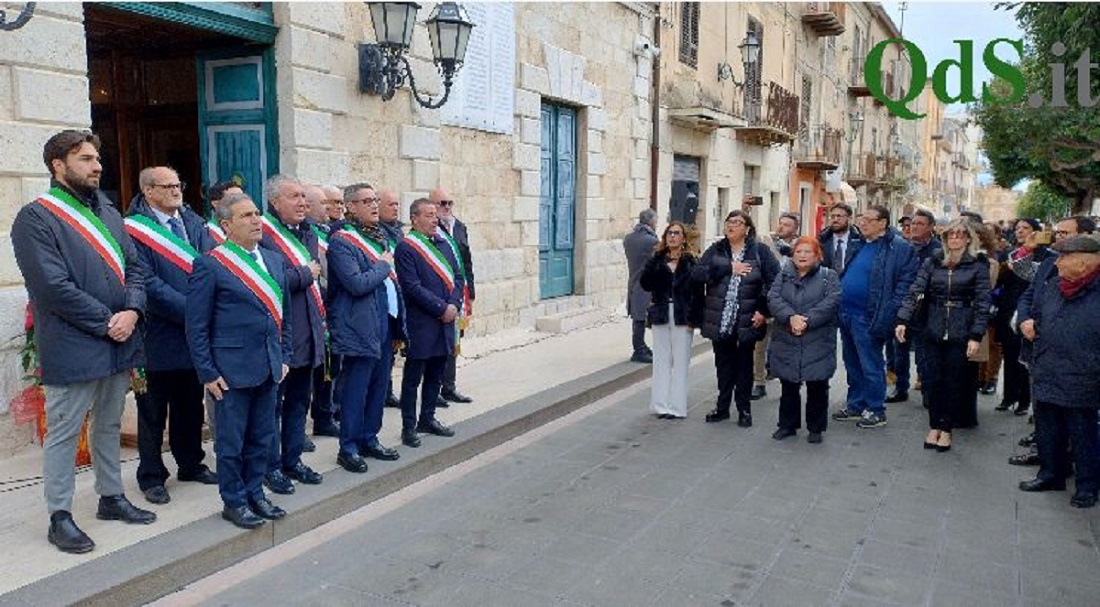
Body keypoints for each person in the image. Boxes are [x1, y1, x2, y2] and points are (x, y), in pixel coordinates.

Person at [12, 130, 155, 554]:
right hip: (75, 343)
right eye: (86, 159)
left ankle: (111, 497)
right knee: (64, 431)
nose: (97, 166)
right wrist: (108, 321)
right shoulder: (36, 217)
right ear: (58, 165)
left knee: (109, 424)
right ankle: (60, 515)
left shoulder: (109, 210)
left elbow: (136, 269)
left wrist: (131, 312)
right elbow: (52, 287)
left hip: (118, 338)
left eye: (97, 158)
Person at [186, 192, 292, 529]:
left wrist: (285, 355)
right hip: (229, 371)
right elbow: (197, 325)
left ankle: (255, 493)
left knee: (262, 437)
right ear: (226, 225)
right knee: (231, 442)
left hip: (269, 367)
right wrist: (207, 371)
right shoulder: (210, 264)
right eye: (246, 216)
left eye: (257, 213)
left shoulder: (275, 261)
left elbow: (285, 318)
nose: (256, 220)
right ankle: (233, 501)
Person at [125, 166, 218, 506]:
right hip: (155, 336)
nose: (177, 191)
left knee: (189, 405)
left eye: (179, 184)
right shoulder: (134, 229)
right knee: (152, 412)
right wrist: (194, 311)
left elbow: (210, 267)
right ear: (148, 191)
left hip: (193, 337)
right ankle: (151, 476)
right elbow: (146, 283)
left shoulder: (194, 223)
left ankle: (191, 462)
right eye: (168, 186)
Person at [1017, 235, 1100, 508]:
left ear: (1085, 262)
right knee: (1047, 428)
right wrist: (1030, 324)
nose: (1058, 262)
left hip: (1083, 372)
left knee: (1082, 433)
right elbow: (1038, 312)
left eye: (1064, 257)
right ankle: (1051, 473)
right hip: (1048, 365)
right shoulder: (1054, 285)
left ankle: (1087, 485)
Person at [895, 219, 991, 452]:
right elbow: (915, 290)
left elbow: (983, 302)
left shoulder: (978, 264)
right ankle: (933, 426)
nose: (955, 238)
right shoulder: (933, 261)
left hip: (962, 328)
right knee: (932, 380)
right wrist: (902, 319)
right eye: (951, 234)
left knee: (952, 381)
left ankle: (946, 429)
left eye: (960, 234)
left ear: (968, 238)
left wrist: (976, 335)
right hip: (933, 327)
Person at [328, 183, 405, 472]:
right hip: (358, 325)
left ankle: (369, 437)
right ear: (351, 207)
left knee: (378, 386)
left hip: (384, 322)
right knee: (356, 388)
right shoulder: (341, 241)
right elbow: (357, 284)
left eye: (375, 200)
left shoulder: (379, 236)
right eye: (366, 201)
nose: (375, 205)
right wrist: (384, 266)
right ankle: (348, 447)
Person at [259, 175, 325, 494]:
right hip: (280, 333)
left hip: (308, 330)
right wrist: (304, 274)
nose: (302, 202)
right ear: (274, 203)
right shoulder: (264, 235)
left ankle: (293, 459)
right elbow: (267, 279)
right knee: (273, 406)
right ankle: (271, 467)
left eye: (303, 196)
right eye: (294, 197)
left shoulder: (309, 234)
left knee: (299, 402)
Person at [831, 205, 917, 429]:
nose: (863, 222)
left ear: (883, 223)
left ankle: (876, 409)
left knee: (871, 364)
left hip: (869, 316)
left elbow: (906, 284)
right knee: (852, 363)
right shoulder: (859, 243)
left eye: (869, 219)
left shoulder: (898, 248)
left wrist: (892, 312)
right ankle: (856, 405)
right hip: (847, 313)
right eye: (862, 218)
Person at [693, 210, 780, 428]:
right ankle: (722, 408)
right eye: (729, 221)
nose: (731, 226)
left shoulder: (760, 252)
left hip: (748, 319)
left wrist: (764, 311)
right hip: (720, 319)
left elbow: (775, 282)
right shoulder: (717, 249)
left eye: (737, 222)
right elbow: (698, 273)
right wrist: (729, 267)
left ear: (747, 229)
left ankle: (744, 410)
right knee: (723, 366)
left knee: (744, 367)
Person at [395, 198, 464, 448]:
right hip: (422, 322)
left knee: (436, 373)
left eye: (436, 215)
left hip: (445, 320)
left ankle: (428, 418)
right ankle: (408, 426)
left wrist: (454, 304)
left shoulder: (443, 244)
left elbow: (458, 276)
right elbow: (411, 287)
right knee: (413, 377)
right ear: (414, 218)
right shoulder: (407, 247)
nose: (435, 219)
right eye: (429, 215)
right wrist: (441, 307)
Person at [766, 237, 840, 444]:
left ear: (817, 255)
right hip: (787, 337)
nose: (802, 255)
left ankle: (816, 428)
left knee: (817, 385)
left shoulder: (828, 276)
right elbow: (773, 298)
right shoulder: (784, 275)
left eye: (808, 252)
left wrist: (806, 321)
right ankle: (787, 425)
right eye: (799, 251)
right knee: (789, 384)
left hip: (817, 338)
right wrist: (790, 317)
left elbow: (831, 302)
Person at [639, 221, 703, 419]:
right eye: (669, 233)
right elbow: (645, 283)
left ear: (684, 238)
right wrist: (657, 264)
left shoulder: (691, 261)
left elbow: (699, 293)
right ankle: (660, 405)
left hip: (683, 315)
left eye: (676, 233)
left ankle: (677, 407)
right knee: (661, 361)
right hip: (661, 312)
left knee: (681, 361)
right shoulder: (656, 259)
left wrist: (695, 318)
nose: (672, 236)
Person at [993, 218, 1051, 416]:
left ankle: (1024, 402)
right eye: (1017, 228)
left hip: (1030, 312)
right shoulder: (1009, 253)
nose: (1020, 231)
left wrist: (1017, 264)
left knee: (1026, 358)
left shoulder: (1047, 256)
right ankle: (1009, 397)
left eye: (1025, 228)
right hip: (1009, 308)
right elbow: (1000, 281)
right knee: (1010, 355)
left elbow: (1034, 279)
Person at [302, 184, 340, 442]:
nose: (328, 208)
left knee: (330, 368)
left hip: (332, 307)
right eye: (323, 203)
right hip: (314, 307)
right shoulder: (305, 234)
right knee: (308, 374)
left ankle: (325, 416)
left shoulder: (329, 231)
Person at [431, 187, 475, 405]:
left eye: (449, 203)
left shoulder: (459, 227)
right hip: (439, 295)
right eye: (442, 203)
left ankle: (449, 386)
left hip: (459, 294)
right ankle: (434, 388)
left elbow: (467, 262)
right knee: (438, 343)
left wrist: (471, 294)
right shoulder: (429, 230)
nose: (446, 207)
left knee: (454, 342)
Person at [378, 188, 405, 408]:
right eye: (391, 204)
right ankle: (383, 391)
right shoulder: (377, 232)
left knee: (392, 350)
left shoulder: (401, 230)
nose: (395, 208)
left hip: (399, 295)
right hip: (383, 297)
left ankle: (387, 391)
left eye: (397, 204)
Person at [624, 209, 659, 363]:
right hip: (646, 282)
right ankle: (638, 350)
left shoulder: (629, 238)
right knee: (640, 317)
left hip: (633, 279)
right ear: (651, 222)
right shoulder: (651, 241)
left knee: (637, 315)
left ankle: (641, 346)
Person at [819, 203, 864, 274]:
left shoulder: (860, 241)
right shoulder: (822, 240)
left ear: (849, 219)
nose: (835, 220)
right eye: (833, 216)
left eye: (839, 216)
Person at [204, 180, 243, 245]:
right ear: (216, 204)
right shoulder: (206, 233)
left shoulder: (253, 226)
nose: (242, 202)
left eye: (243, 197)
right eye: (234, 198)